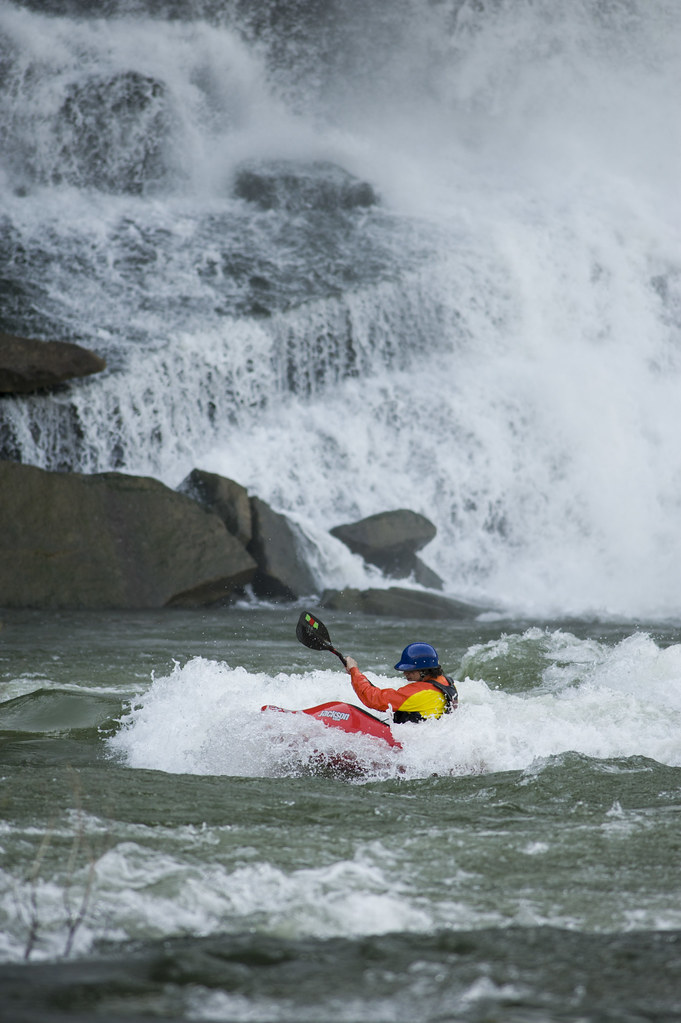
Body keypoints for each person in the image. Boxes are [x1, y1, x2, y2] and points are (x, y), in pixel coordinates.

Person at [344, 643, 458, 723]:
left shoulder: (418, 693)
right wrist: (356, 676)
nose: (404, 673)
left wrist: (354, 670)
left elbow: (372, 699)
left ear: (424, 670)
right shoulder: (447, 682)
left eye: (410, 670)